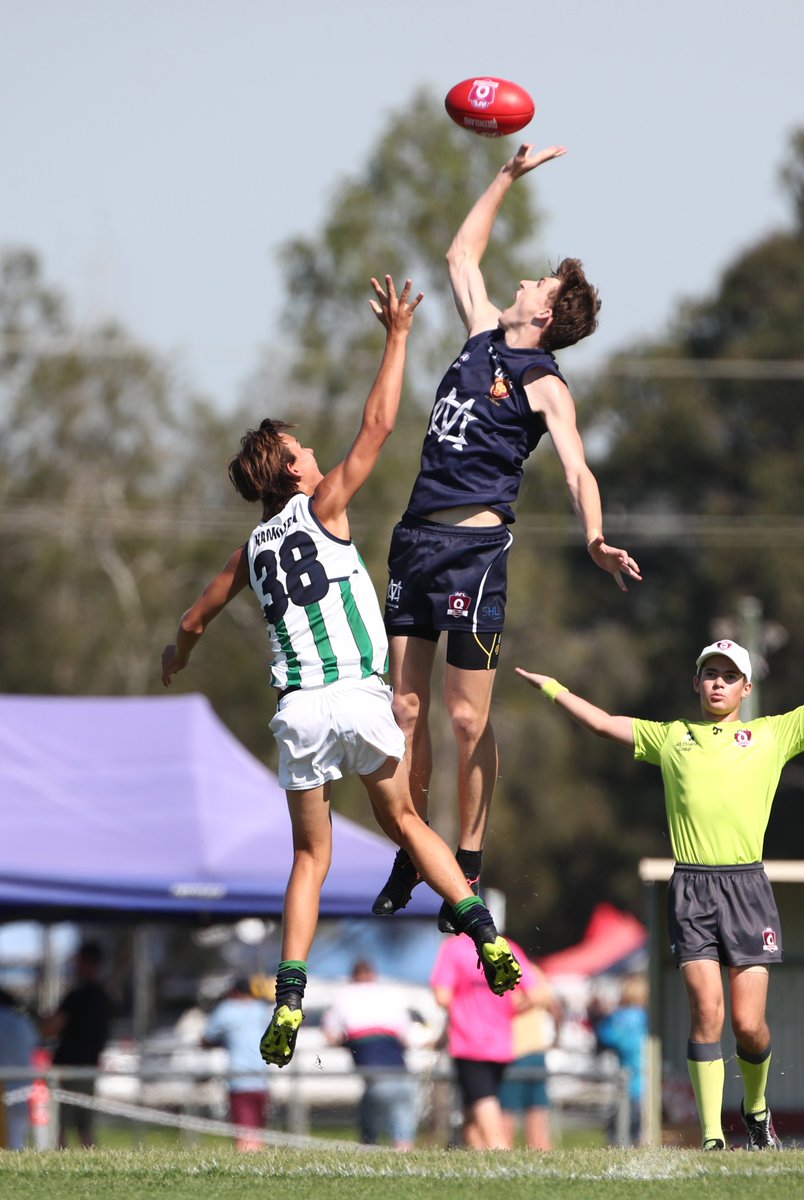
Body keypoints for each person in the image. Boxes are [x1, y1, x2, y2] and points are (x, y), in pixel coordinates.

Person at [161, 277, 521, 1070]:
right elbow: (380, 424)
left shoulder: (249, 551)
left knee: (308, 860)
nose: (315, 455)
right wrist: (397, 336)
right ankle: (485, 937)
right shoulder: (324, 506)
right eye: (303, 452)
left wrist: (175, 656)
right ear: (291, 474)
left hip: (299, 712)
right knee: (407, 824)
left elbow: (192, 620)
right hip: (359, 697)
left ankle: (289, 996)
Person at [516, 606, 804, 1151]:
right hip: (691, 888)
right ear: (696, 683)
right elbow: (602, 723)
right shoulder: (671, 738)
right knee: (706, 1012)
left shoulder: (771, 734)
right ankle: (714, 1137)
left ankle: (756, 1109)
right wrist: (553, 688)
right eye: (710, 674)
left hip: (748, 890)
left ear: (746, 688)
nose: (719, 683)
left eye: (729, 676)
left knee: (748, 1024)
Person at [373, 143, 641, 933]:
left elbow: (577, 470)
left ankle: (468, 859)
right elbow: (461, 253)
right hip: (415, 542)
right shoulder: (482, 332)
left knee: (463, 720)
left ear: (546, 315)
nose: (524, 281)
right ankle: (413, 846)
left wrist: (594, 537)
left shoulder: (544, 382)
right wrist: (506, 175)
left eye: (540, 284)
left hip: (474, 556)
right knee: (403, 710)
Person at [431, 931, 544, 1149]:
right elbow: (535, 995)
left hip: (469, 1043)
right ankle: (477, 1157)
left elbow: (442, 996)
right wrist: (507, 1011)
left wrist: (466, 1008)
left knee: (484, 1101)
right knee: (473, 1108)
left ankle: (499, 1152)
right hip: (501, 1044)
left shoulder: (455, 948)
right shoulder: (504, 946)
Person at [321, 959, 421, 1149]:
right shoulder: (390, 995)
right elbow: (407, 1036)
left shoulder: (345, 996)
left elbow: (330, 1035)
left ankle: (370, 1148)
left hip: (374, 1077)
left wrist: (346, 1042)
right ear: (373, 975)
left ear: (353, 976)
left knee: (370, 1126)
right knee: (403, 1130)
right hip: (401, 1072)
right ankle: (405, 1154)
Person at [40, 940, 113, 1148]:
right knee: (85, 1130)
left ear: (87, 962)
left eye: (78, 961)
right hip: (90, 1068)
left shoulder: (77, 997)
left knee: (59, 1129)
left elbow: (50, 1028)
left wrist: (38, 1022)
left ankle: (59, 1165)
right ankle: (96, 1166)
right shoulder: (104, 997)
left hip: (67, 1070)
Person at [202, 977, 272, 1151]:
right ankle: (258, 1157)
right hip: (262, 1078)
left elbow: (207, 1037)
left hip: (239, 1078)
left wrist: (221, 1041)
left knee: (244, 1132)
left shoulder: (226, 1009)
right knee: (258, 1130)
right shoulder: (261, 1010)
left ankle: (249, 1160)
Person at [498, 962, 560, 1150]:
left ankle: (500, 1156)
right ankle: (543, 1158)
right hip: (535, 1051)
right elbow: (554, 1007)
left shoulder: (498, 969)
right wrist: (556, 1039)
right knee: (537, 1113)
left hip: (512, 1052)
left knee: (505, 1117)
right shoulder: (533, 970)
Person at [591, 973, 649, 1145]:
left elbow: (605, 1036)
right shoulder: (647, 1017)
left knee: (620, 1125)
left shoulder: (618, 1017)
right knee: (639, 1125)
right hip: (646, 1080)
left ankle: (618, 1143)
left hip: (626, 1078)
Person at [0, 987, 39, 1150]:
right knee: (16, 1143)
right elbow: (35, 1045)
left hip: (5, 1087)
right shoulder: (23, 1022)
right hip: (21, 1090)